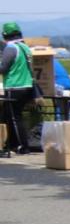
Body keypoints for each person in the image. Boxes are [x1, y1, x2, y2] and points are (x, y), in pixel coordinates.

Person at [0, 22, 37, 154]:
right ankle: (12, 144)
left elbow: (3, 68)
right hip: (27, 86)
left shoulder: (11, 48)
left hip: (15, 86)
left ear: (5, 35)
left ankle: (22, 145)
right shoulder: (25, 47)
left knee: (14, 118)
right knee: (10, 116)